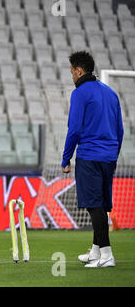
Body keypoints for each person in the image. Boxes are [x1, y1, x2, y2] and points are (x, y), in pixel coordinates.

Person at [62, 51, 123, 268]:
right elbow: (120, 130)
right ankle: (96, 251)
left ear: (79, 71)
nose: (72, 76)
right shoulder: (111, 93)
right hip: (108, 157)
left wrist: (66, 157)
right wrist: (113, 158)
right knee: (102, 205)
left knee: (94, 206)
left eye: (72, 72)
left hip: (89, 156)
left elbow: (74, 129)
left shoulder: (80, 93)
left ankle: (107, 255)